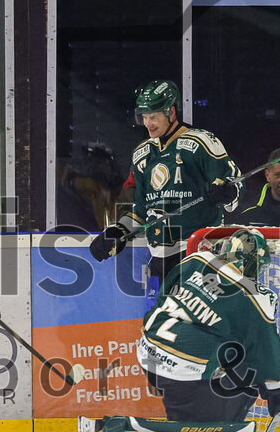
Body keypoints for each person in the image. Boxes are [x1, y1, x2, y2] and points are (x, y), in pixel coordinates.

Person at [135, 227, 280, 424]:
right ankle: (215, 431)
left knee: (226, 351)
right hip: (184, 370)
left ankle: (184, 420)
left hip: (147, 353)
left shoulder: (195, 260)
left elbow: (163, 296)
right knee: (248, 368)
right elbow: (269, 362)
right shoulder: (253, 296)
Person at [88, 80, 243, 284]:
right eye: (144, 117)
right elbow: (141, 210)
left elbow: (235, 182)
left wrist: (227, 191)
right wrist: (119, 231)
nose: (148, 124)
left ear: (171, 112)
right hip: (160, 259)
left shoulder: (201, 142)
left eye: (153, 117)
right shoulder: (142, 154)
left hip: (199, 253)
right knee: (162, 306)